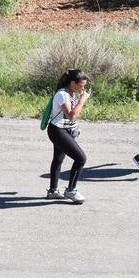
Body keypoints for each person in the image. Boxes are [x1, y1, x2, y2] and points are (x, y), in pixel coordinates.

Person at [46, 69, 90, 204]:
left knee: (58, 159)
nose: (83, 88)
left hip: (65, 130)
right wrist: (83, 100)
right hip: (57, 131)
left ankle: (53, 191)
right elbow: (71, 115)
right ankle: (71, 190)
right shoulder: (62, 95)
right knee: (81, 158)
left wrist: (76, 128)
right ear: (72, 83)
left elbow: (71, 118)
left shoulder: (71, 92)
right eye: (81, 85)